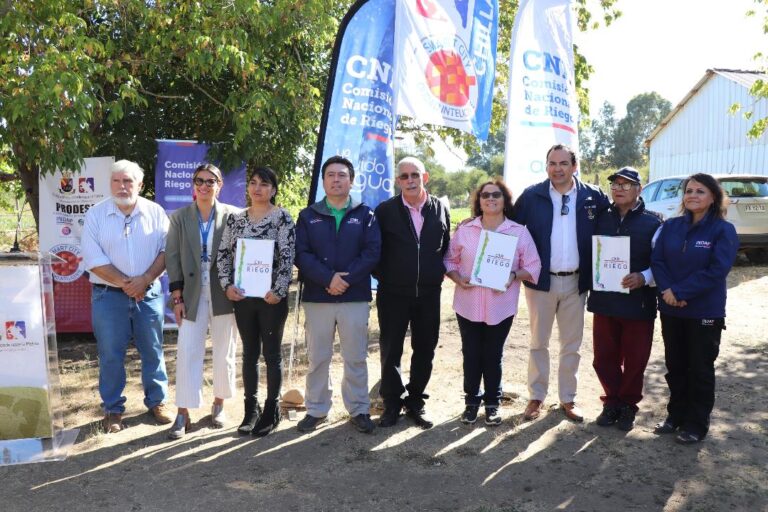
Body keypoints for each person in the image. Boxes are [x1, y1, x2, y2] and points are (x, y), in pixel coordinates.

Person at [513, 144, 609, 422]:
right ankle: (536, 397)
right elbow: (512, 231)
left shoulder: (593, 196)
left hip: (576, 282)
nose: (557, 169)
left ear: (574, 166)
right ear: (546, 167)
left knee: (572, 344)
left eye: (563, 163)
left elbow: (613, 226)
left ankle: (568, 398)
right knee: (538, 343)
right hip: (541, 282)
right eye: (552, 163)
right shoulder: (532, 196)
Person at [81, 159, 172, 433]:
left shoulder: (156, 212)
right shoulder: (95, 215)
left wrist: (144, 280)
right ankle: (113, 409)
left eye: (129, 181)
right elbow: (93, 260)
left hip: (149, 294)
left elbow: (168, 252)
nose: (123, 186)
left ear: (140, 184)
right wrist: (128, 284)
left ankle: (157, 402)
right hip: (108, 296)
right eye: (117, 181)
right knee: (110, 354)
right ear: (110, 184)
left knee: (153, 350)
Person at [294, 156, 381, 434]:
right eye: (330, 175)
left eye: (341, 175)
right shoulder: (308, 215)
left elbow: (372, 253)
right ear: (323, 181)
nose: (336, 179)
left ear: (351, 180)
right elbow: (301, 254)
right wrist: (327, 278)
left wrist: (346, 279)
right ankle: (316, 409)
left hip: (354, 297)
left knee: (355, 356)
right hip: (318, 297)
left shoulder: (365, 214)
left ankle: (358, 409)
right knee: (318, 356)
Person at [650, 173, 738, 444]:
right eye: (689, 191)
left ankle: (696, 423)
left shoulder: (724, 230)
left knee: (699, 368)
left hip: (704, 312)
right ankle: (675, 415)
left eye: (700, 191)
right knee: (675, 365)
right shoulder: (671, 226)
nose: (693, 195)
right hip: (672, 309)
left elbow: (717, 270)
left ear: (713, 197)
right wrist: (669, 292)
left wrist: (680, 291)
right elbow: (658, 260)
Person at [445, 180, 541, 426]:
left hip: (501, 305)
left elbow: (533, 266)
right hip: (468, 303)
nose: (490, 198)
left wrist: (512, 276)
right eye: (485, 195)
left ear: (504, 200)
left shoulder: (518, 232)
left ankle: (492, 403)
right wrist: (458, 278)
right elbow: (450, 261)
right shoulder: (465, 230)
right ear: (478, 201)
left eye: (495, 194)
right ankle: (471, 402)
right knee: (471, 353)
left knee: (493, 354)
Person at [373, 156, 450, 429]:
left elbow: (447, 247)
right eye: (404, 176)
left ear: (424, 177)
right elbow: (375, 252)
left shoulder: (440, 208)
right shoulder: (384, 211)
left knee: (425, 348)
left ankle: (416, 401)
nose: (410, 180)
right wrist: (390, 279)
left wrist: (435, 276)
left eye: (414, 175)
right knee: (391, 348)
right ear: (398, 181)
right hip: (393, 293)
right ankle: (392, 403)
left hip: (429, 294)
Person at [217, 166, 295, 437]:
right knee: (249, 353)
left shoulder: (282, 217)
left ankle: (272, 408)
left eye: (264, 184)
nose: (258, 188)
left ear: (273, 189)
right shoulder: (236, 219)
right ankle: (251, 409)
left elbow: (287, 257)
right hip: (243, 297)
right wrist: (227, 285)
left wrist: (279, 289)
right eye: (253, 183)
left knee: (271, 354)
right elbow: (224, 255)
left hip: (271, 299)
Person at [165, 164, 239, 440]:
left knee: (225, 352)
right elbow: (172, 257)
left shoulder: (234, 215)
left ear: (219, 185)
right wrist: (177, 296)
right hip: (192, 294)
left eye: (211, 181)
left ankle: (219, 404)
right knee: (187, 352)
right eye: (200, 181)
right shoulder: (180, 218)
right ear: (193, 185)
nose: (205, 186)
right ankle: (183, 412)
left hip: (224, 294)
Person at [586, 167, 663, 431]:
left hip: (638, 304)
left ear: (639, 190)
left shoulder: (654, 223)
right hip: (605, 301)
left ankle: (628, 405)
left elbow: (661, 264)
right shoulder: (599, 218)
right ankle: (612, 402)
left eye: (626, 185)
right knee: (603, 358)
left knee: (635, 359)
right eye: (615, 184)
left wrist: (644, 276)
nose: (619, 189)